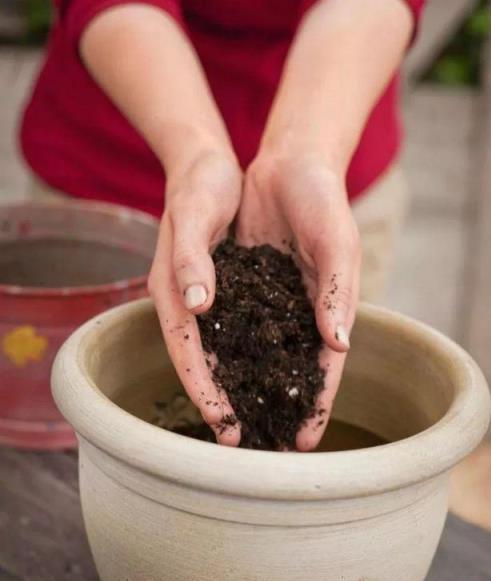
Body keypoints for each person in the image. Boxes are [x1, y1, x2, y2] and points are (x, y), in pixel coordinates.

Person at [21, 0, 424, 450]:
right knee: (64, 438)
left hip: (327, 160)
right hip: (108, 176)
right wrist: (196, 156)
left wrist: (307, 155)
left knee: (313, 439)